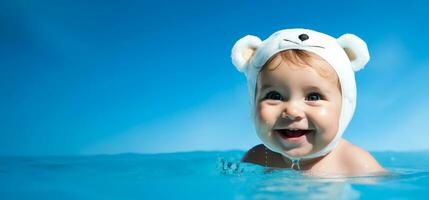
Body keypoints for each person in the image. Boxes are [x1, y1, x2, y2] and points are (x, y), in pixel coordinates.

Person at [231, 28, 386, 176]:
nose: (292, 111)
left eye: (313, 97)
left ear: (344, 106)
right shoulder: (255, 159)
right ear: (254, 100)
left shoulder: (355, 164)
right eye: (275, 96)